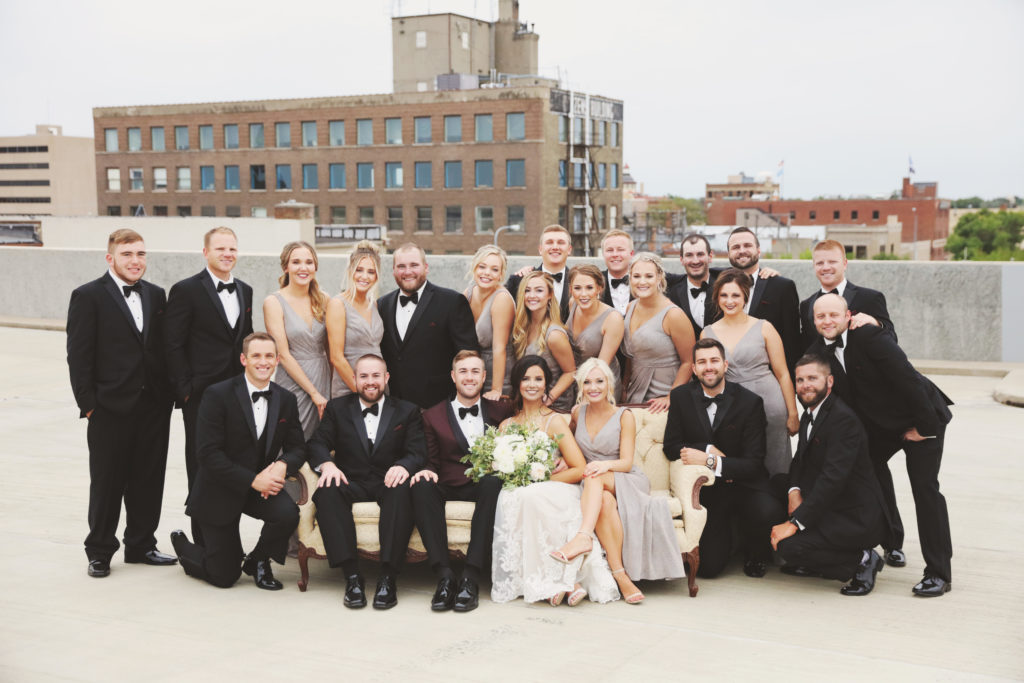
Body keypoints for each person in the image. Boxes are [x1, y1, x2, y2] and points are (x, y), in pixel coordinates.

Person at [810, 294, 953, 597]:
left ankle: (939, 572)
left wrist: (925, 428)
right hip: (882, 427)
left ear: (848, 315)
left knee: (925, 490)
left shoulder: (869, 335)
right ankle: (891, 544)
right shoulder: (818, 351)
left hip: (920, 417)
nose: (827, 322)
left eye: (833, 315)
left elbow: (909, 380)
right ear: (814, 321)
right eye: (820, 317)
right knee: (868, 474)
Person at [66, 228, 176, 577]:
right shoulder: (88, 296)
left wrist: (168, 396)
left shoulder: (157, 295)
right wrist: (89, 405)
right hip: (109, 408)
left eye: (141, 254)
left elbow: (161, 348)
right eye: (127, 254)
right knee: (107, 482)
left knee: (148, 479)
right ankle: (99, 550)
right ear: (110, 258)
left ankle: (141, 545)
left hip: (153, 406)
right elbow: (78, 356)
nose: (135, 261)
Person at [169, 333, 306, 590]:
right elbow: (208, 455)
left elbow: (298, 447)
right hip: (220, 488)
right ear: (244, 359)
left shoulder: (286, 399)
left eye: (268, 356)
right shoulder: (217, 395)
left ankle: (258, 560)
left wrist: (282, 465)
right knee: (224, 576)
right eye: (256, 356)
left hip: (259, 488)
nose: (263, 362)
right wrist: (254, 480)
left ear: (277, 360)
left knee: (288, 514)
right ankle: (183, 547)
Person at [552, 358, 685, 604]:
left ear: (609, 385)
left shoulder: (624, 416)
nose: (593, 387)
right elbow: (567, 444)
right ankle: (621, 576)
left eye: (599, 381)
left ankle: (583, 537)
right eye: (588, 382)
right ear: (581, 386)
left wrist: (604, 466)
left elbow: (625, 462)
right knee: (602, 499)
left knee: (594, 476)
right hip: (594, 484)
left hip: (624, 478)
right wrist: (560, 458)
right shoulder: (576, 413)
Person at [491, 356, 619, 605]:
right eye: (526, 378)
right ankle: (560, 582)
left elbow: (580, 468)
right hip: (521, 490)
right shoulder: (506, 426)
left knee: (532, 496)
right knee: (516, 496)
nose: (532, 384)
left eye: (538, 379)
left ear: (546, 384)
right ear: (517, 383)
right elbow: (497, 467)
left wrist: (544, 477)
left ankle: (565, 580)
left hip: (557, 488)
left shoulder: (554, 421)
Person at [307, 354, 426, 609]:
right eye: (364, 376)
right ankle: (352, 576)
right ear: (354, 379)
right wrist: (327, 464)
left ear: (386, 378)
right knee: (327, 490)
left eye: (375, 376)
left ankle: (387, 577)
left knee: (402, 490)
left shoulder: (407, 411)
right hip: (351, 481)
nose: (370, 382)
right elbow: (317, 442)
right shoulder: (337, 409)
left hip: (388, 481)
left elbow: (418, 451)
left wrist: (403, 466)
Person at [663, 339, 786, 578]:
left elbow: (753, 464)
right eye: (702, 362)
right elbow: (671, 447)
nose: (709, 367)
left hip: (744, 485)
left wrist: (711, 461)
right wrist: (707, 448)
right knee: (707, 569)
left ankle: (755, 551)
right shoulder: (680, 397)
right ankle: (729, 542)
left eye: (714, 361)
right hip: (709, 491)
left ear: (725, 365)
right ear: (695, 369)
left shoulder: (750, 402)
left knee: (768, 511)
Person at [771, 354, 890, 596]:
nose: (806, 385)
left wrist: (794, 523)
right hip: (829, 504)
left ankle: (863, 559)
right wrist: (794, 492)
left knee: (789, 547)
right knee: (775, 485)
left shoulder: (843, 420)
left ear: (830, 381)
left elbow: (832, 481)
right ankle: (819, 560)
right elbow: (799, 461)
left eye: (813, 378)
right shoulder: (811, 413)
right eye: (801, 379)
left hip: (853, 516)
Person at [165, 227, 254, 544]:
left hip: (237, 396)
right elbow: (172, 344)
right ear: (206, 252)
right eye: (220, 249)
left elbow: (244, 341)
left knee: (232, 466)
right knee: (202, 466)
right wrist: (186, 390)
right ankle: (203, 543)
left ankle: (227, 541)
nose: (227, 254)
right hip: (201, 397)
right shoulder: (186, 290)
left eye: (232, 248)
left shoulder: (245, 290)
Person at [410, 351, 513, 612]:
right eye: (464, 371)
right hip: (446, 481)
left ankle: (470, 576)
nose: (470, 377)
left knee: (493, 482)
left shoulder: (501, 409)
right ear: (454, 376)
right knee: (421, 485)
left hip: (482, 485)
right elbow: (430, 459)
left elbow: (530, 419)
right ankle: (444, 576)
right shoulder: (431, 416)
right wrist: (426, 470)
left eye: (475, 371)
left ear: (484, 376)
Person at [702, 268, 799, 486]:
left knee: (776, 464)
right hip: (732, 408)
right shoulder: (707, 333)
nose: (730, 301)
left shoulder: (765, 327)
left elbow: (783, 373)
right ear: (716, 298)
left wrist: (792, 413)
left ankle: (780, 510)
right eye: (724, 295)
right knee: (738, 464)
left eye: (736, 295)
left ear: (745, 296)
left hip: (770, 403)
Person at [379, 242, 479, 409]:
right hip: (394, 405)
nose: (408, 271)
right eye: (401, 266)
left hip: (438, 405)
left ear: (426, 268)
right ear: (394, 271)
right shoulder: (382, 304)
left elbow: (468, 354)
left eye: (414, 265)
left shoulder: (451, 301)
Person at [263, 241, 331, 439]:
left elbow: (330, 348)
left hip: (323, 376)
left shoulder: (324, 299)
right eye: (296, 262)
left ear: (315, 267)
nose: (303, 268)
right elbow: (282, 355)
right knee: (291, 438)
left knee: (322, 441)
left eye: (309, 262)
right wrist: (313, 393)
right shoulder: (274, 302)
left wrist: (330, 391)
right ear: (286, 267)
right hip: (293, 380)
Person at [621, 252, 694, 412]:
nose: (642, 282)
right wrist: (625, 386)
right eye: (636, 276)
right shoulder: (630, 307)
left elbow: (689, 362)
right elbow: (631, 356)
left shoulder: (673, 315)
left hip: (665, 395)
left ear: (659, 277)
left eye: (649, 276)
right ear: (630, 278)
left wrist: (671, 397)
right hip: (635, 392)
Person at [726, 227, 802, 372]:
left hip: (769, 376)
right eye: (736, 247)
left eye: (747, 245)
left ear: (759, 250)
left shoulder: (782, 287)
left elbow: (792, 341)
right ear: (728, 254)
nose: (742, 250)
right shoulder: (718, 284)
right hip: (729, 377)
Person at [799, 239, 895, 349]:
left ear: (845, 264)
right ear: (814, 266)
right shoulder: (806, 305)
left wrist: (875, 322)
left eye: (832, 262)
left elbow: (892, 339)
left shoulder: (870, 298)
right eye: (820, 263)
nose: (826, 267)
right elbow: (805, 347)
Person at [511, 271, 577, 412]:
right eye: (527, 290)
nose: (532, 295)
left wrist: (550, 398)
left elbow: (571, 372)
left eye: (539, 290)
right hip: (529, 404)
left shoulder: (554, 334)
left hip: (554, 408)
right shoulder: (522, 328)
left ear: (549, 295)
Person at [326, 240, 384, 398]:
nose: (365, 276)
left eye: (371, 272)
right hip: (350, 388)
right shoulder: (338, 304)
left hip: (377, 387)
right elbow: (336, 358)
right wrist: (361, 392)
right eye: (359, 270)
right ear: (350, 270)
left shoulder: (374, 305)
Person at [464, 245, 515, 399]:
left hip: (499, 375)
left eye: (494, 269)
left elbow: (499, 348)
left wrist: (496, 390)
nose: (487, 273)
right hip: (474, 373)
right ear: (474, 268)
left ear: (501, 275)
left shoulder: (502, 299)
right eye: (482, 267)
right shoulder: (469, 292)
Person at [566, 264, 623, 398]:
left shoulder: (613, 318)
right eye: (577, 288)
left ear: (599, 288)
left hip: (600, 385)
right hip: (574, 381)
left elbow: (602, 366)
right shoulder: (572, 304)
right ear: (570, 289)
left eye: (589, 288)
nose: (583, 294)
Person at [505, 224, 573, 320]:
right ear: (540, 249)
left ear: (569, 249)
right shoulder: (519, 280)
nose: (555, 247)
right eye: (549, 242)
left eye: (561, 243)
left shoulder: (577, 282)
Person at [667, 233, 719, 338]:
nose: (695, 261)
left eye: (700, 254)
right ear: (681, 259)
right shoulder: (672, 291)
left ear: (710, 256)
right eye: (689, 255)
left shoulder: (724, 284)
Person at [598, 229, 635, 315]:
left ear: (631, 253)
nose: (615, 254)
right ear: (603, 254)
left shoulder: (645, 281)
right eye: (610, 250)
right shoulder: (595, 281)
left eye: (620, 250)